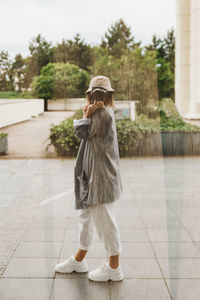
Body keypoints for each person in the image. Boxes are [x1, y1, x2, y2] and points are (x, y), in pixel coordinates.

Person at [55, 75, 124, 282]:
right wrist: (88, 112)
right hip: (90, 176)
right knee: (85, 218)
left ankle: (114, 267)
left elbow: (82, 132)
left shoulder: (103, 114)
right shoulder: (98, 113)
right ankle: (80, 259)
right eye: (94, 93)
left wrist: (88, 113)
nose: (96, 97)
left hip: (100, 180)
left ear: (107, 96)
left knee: (105, 222)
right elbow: (84, 134)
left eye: (99, 93)